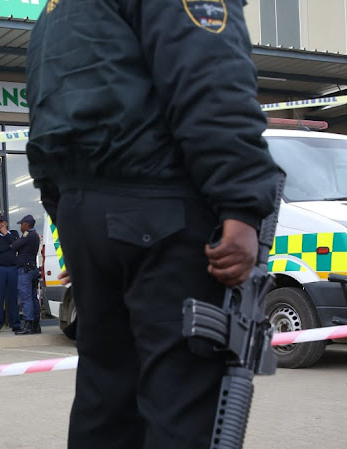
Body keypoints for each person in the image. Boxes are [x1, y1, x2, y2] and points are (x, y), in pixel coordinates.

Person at [25, 0, 281, 447]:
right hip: (162, 212)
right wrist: (242, 207)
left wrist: (64, 214)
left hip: (86, 213)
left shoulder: (56, 10)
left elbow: (44, 114)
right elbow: (211, 84)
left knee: (105, 398)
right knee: (182, 400)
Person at [0, 214, 20, 333]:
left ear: (6, 223)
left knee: (13, 298)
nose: (0, 224)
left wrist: (6, 235)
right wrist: (9, 246)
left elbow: (16, 245)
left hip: (12, 268)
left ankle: (15, 324)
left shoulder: (14, 233)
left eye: (2, 222)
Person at [11, 215, 40, 335]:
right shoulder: (36, 235)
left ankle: (28, 325)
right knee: (33, 298)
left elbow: (14, 246)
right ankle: (35, 325)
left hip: (25, 271)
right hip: (32, 269)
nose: (20, 226)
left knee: (26, 298)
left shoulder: (28, 234)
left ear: (27, 225)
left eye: (21, 224)